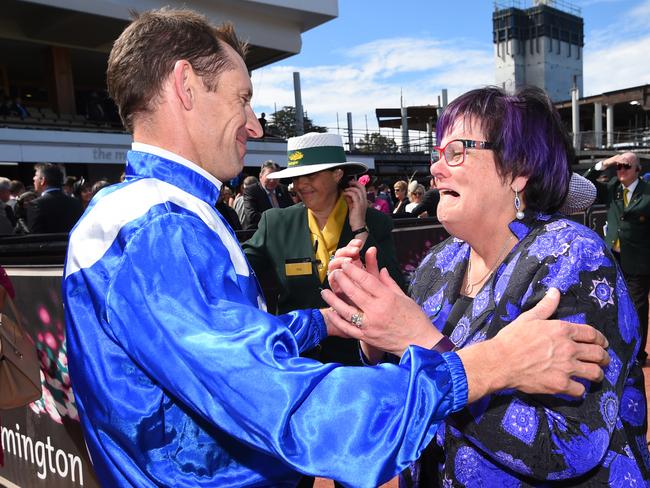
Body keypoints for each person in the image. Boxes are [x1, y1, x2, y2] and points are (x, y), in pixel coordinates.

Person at [63, 10, 610, 488]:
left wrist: (325, 324)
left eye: (458, 150)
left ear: (519, 170)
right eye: (243, 97)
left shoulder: (165, 219)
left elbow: (231, 347)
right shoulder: (155, 229)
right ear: (185, 86)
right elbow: (285, 404)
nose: (254, 123)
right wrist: (484, 365)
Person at [324, 86, 649, 486]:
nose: (436, 170)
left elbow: (571, 444)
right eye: (437, 155)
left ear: (518, 170)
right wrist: (373, 329)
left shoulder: (574, 258)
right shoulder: (438, 263)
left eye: (457, 152)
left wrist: (422, 340)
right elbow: (407, 389)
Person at [244, 131, 402, 366]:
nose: (301, 184)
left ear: (337, 174)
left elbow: (395, 289)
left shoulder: (375, 223)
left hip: (356, 365)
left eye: (311, 175)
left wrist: (360, 229)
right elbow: (238, 267)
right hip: (294, 364)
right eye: (296, 177)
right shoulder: (275, 223)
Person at [584, 152, 650, 363]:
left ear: (638, 170)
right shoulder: (612, 189)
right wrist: (606, 163)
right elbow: (585, 183)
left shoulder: (647, 193)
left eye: (626, 167)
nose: (620, 170)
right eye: (618, 167)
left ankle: (638, 352)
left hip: (639, 260)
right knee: (614, 303)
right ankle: (618, 346)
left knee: (638, 307)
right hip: (614, 257)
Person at [27, 163, 83, 233]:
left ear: (42, 180)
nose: (33, 178)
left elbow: (34, 238)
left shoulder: (35, 205)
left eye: (36, 175)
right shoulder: (76, 203)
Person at [241, 160, 293, 229]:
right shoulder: (251, 191)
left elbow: (291, 211)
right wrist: (277, 217)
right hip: (261, 232)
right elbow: (252, 216)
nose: (272, 180)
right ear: (260, 176)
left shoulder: (283, 189)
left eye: (275, 177)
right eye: (269, 176)